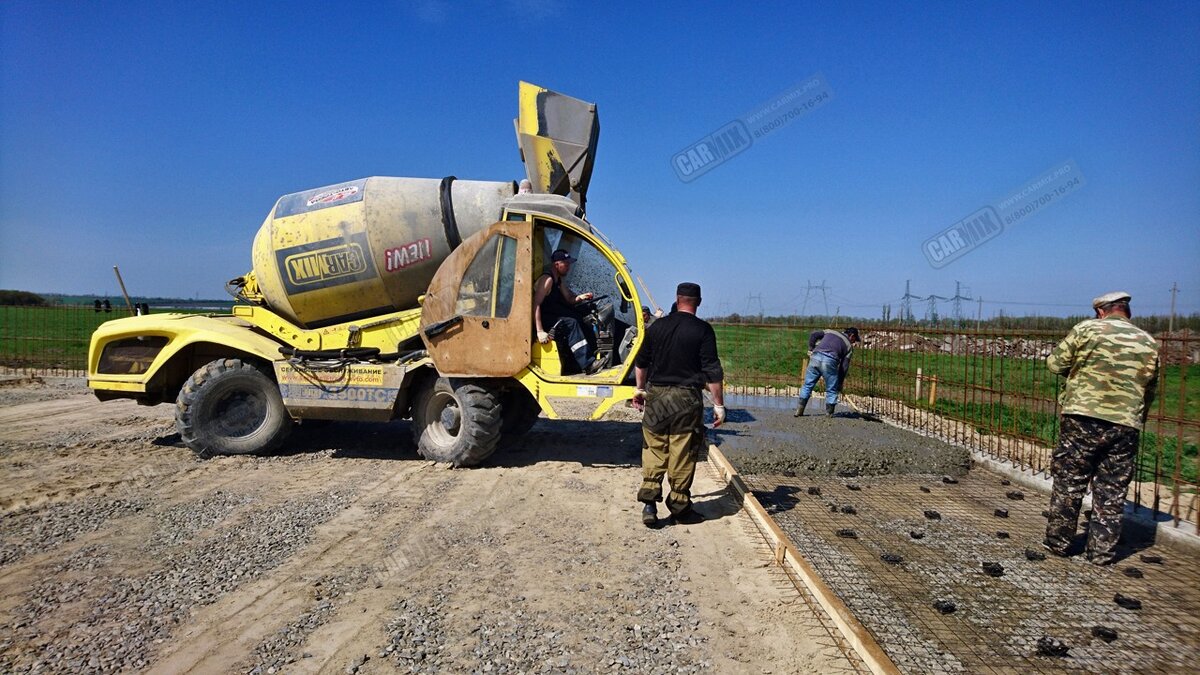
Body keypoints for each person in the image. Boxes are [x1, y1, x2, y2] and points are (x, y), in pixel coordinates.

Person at [1043, 291, 1159, 565]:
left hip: (1082, 417)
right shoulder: (1148, 341)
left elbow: (1054, 364)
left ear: (1101, 311)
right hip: (1125, 423)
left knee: (1070, 481)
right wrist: (1136, 417)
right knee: (1112, 489)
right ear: (1126, 312)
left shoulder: (1086, 330)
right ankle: (1101, 553)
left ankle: (1058, 543)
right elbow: (1150, 387)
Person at [632, 282, 725, 526]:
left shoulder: (657, 327)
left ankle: (650, 505)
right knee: (682, 451)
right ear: (699, 302)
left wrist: (640, 390)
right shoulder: (703, 330)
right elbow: (713, 371)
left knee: (654, 447)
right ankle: (680, 508)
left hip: (658, 395)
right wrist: (719, 405)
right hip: (686, 398)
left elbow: (640, 363)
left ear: (677, 298)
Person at [533, 248, 596, 373]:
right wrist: (540, 331)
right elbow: (535, 304)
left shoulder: (559, 280)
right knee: (571, 323)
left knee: (580, 318)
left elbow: (569, 298)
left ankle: (579, 363)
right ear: (557, 265)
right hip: (545, 318)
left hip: (554, 315)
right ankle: (587, 364)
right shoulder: (547, 280)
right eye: (566, 264)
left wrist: (581, 297)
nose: (568, 267)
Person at [794, 327, 860, 417]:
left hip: (815, 357)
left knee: (807, 385)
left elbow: (814, 335)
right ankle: (829, 414)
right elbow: (844, 367)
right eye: (854, 340)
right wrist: (839, 383)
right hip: (830, 361)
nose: (854, 342)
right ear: (852, 336)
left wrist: (810, 349)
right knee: (832, 389)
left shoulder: (830, 331)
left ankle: (799, 410)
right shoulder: (849, 346)